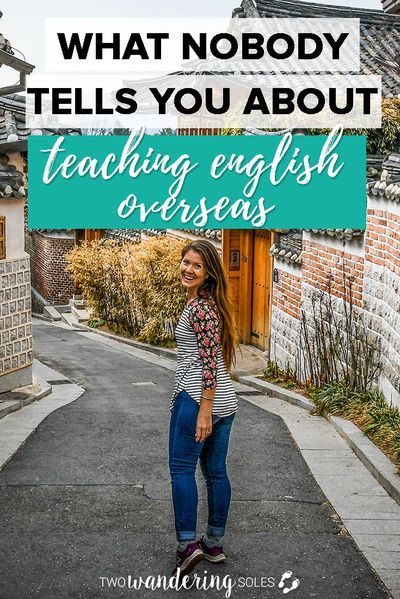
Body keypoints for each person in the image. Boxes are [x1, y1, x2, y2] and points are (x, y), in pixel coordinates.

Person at [169, 239, 239, 577]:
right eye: (185, 262)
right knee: (215, 473)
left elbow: (209, 362)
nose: (188, 269)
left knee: (182, 470)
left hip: (199, 398)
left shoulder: (201, 309)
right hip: (225, 400)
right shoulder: (210, 304)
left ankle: (187, 546)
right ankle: (213, 544)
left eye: (196, 265)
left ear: (208, 271)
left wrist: (203, 409)